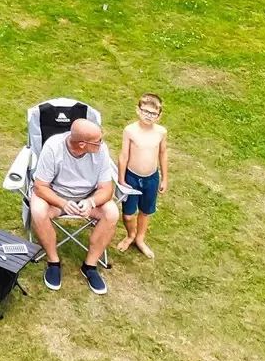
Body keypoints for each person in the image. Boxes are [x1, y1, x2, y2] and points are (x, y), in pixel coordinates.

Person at [30, 118, 119, 295]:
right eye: (98, 141)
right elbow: (40, 187)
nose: (102, 143)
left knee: (112, 213)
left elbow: (107, 189)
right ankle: (53, 262)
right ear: (81, 145)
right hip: (57, 198)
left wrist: (91, 202)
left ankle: (90, 266)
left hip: (88, 198)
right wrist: (63, 203)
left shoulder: (101, 151)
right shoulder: (53, 147)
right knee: (38, 210)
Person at [117, 94, 169, 258]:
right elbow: (123, 156)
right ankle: (130, 235)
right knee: (128, 214)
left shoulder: (161, 132)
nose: (148, 115)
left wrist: (165, 178)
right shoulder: (130, 131)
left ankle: (140, 239)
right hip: (132, 178)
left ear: (159, 115)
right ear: (138, 111)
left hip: (151, 179)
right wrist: (121, 178)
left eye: (153, 113)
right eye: (145, 111)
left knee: (145, 211)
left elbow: (163, 154)